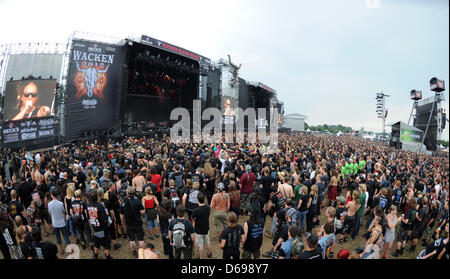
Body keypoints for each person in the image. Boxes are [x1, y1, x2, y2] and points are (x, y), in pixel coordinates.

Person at [87, 188, 112, 259]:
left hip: (95, 228)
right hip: (102, 229)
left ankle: (95, 256)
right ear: (97, 196)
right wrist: (107, 215)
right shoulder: (100, 206)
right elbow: (104, 219)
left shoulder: (88, 206)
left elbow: (88, 217)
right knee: (106, 245)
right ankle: (107, 256)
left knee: (96, 244)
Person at [120, 186, 145, 257]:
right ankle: (142, 252)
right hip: (138, 222)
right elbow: (143, 212)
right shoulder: (138, 201)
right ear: (134, 193)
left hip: (129, 223)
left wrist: (122, 222)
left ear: (127, 193)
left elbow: (121, 214)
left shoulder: (123, 202)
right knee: (140, 238)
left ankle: (134, 251)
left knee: (132, 239)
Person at [48, 189, 71, 255]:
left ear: (52, 195)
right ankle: (70, 250)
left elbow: (50, 213)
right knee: (66, 236)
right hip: (62, 222)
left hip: (55, 223)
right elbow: (63, 211)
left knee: (58, 238)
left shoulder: (49, 204)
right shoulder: (61, 203)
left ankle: (61, 250)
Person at [191, 192, 212, 259]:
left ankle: (201, 257)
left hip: (198, 229)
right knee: (207, 241)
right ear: (204, 199)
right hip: (206, 227)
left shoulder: (195, 210)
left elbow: (192, 218)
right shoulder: (208, 207)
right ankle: (209, 253)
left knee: (200, 245)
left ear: (197, 199)